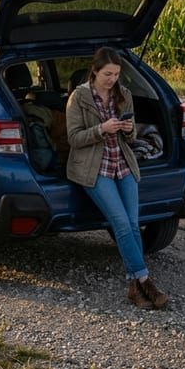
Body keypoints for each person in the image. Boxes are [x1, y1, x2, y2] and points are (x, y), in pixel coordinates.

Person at [65, 47, 169, 310]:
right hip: (94, 168)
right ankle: (145, 281)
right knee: (121, 224)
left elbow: (130, 139)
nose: (112, 79)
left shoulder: (124, 95)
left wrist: (128, 129)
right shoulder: (78, 97)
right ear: (95, 71)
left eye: (117, 74)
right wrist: (102, 129)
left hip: (123, 165)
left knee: (133, 225)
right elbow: (74, 139)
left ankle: (134, 287)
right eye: (107, 74)